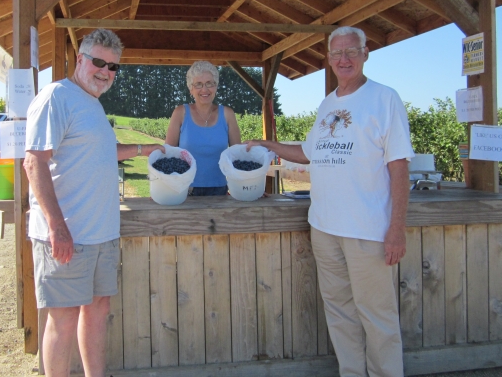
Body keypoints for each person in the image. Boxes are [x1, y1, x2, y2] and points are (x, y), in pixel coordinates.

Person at [247, 26, 413, 376]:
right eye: (337, 53)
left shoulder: (385, 99)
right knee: (340, 313)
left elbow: (399, 167)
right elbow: (308, 152)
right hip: (323, 227)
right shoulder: (328, 103)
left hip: (367, 230)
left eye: (351, 51)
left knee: (377, 316)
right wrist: (270, 145)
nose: (344, 59)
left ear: (365, 53)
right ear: (329, 59)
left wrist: (397, 227)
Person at [24, 29, 164, 377]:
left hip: (101, 234)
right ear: (80, 59)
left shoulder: (93, 104)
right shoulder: (57, 96)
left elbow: (101, 153)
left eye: (113, 67)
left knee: (98, 309)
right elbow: (34, 162)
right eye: (98, 62)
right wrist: (57, 227)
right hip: (68, 234)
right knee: (64, 317)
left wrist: (145, 149)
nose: (105, 72)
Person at [165, 61, 241, 196]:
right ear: (191, 88)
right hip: (184, 191)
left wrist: (250, 186)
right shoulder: (180, 113)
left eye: (209, 83)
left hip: (220, 190)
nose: (204, 90)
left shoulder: (228, 114)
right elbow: (168, 154)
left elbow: (238, 156)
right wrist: (162, 188)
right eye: (198, 84)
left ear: (216, 86)